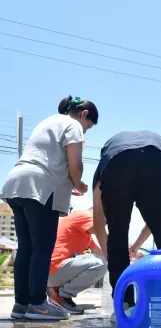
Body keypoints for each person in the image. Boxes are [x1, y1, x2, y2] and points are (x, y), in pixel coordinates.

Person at [0, 96, 99, 320]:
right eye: (89, 125)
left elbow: (48, 158)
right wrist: (78, 183)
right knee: (43, 248)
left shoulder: (46, 122)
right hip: (40, 186)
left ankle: (22, 304)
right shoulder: (73, 125)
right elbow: (75, 163)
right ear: (83, 115)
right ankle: (38, 304)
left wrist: (66, 182)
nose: (86, 130)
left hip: (16, 182)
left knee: (26, 247)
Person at [91, 131, 161, 320]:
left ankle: (124, 308)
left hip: (117, 162)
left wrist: (111, 253)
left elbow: (98, 221)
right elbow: (157, 220)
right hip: (158, 157)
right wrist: (134, 246)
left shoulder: (105, 162)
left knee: (117, 236)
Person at [47, 208, 107, 315]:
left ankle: (57, 290)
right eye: (106, 220)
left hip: (52, 272)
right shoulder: (84, 214)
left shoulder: (86, 235)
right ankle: (61, 296)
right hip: (53, 269)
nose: (105, 223)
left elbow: (101, 252)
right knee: (101, 264)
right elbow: (101, 233)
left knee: (101, 261)